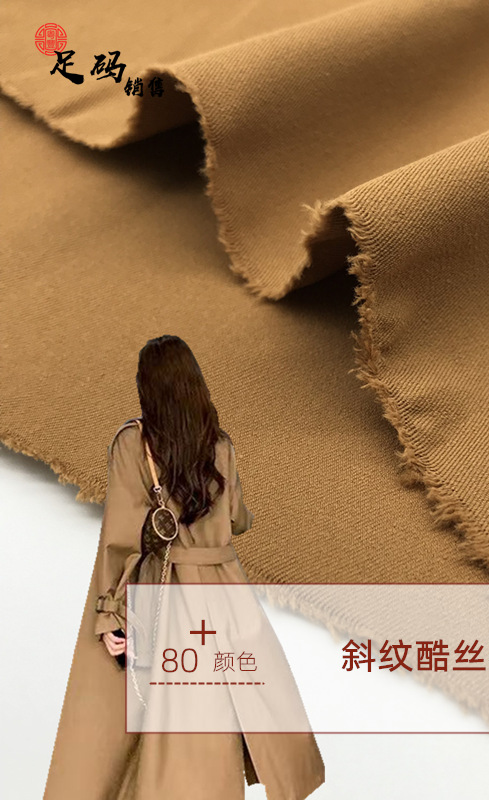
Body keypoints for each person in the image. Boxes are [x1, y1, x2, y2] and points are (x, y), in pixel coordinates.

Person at [44, 334, 325, 800]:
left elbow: (121, 539)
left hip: (167, 589)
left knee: (161, 721)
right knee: (220, 707)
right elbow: (237, 519)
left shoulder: (134, 443)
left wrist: (111, 614)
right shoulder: (220, 444)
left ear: (147, 387)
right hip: (225, 591)